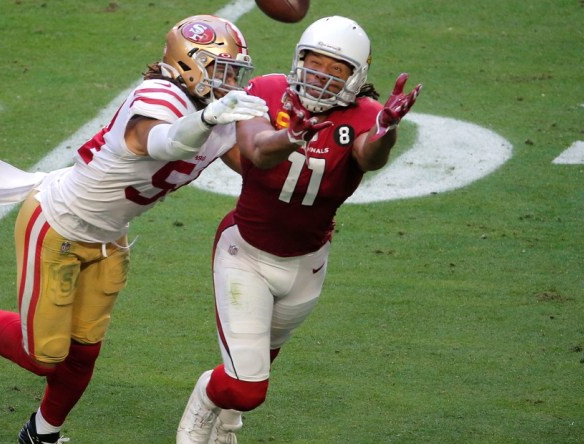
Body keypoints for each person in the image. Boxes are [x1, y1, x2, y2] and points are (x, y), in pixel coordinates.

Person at [0, 14, 267, 444]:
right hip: (58, 224)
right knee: (43, 356)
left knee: (82, 355)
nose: (231, 83)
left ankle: (41, 434)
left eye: (235, 73)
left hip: (110, 238)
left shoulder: (218, 114)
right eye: (222, 70)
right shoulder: (159, 96)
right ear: (189, 63)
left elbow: (255, 168)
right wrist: (210, 120)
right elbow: (163, 142)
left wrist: (302, 158)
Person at [175, 15, 422, 443]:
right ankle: (204, 404)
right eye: (315, 62)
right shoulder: (268, 90)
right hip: (246, 254)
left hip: (307, 265)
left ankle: (226, 421)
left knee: (256, 365)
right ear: (298, 59)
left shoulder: (364, 113)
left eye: (337, 68)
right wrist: (292, 137)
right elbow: (255, 149)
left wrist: (386, 129)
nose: (323, 75)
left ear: (356, 75)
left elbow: (369, 157)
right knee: (247, 388)